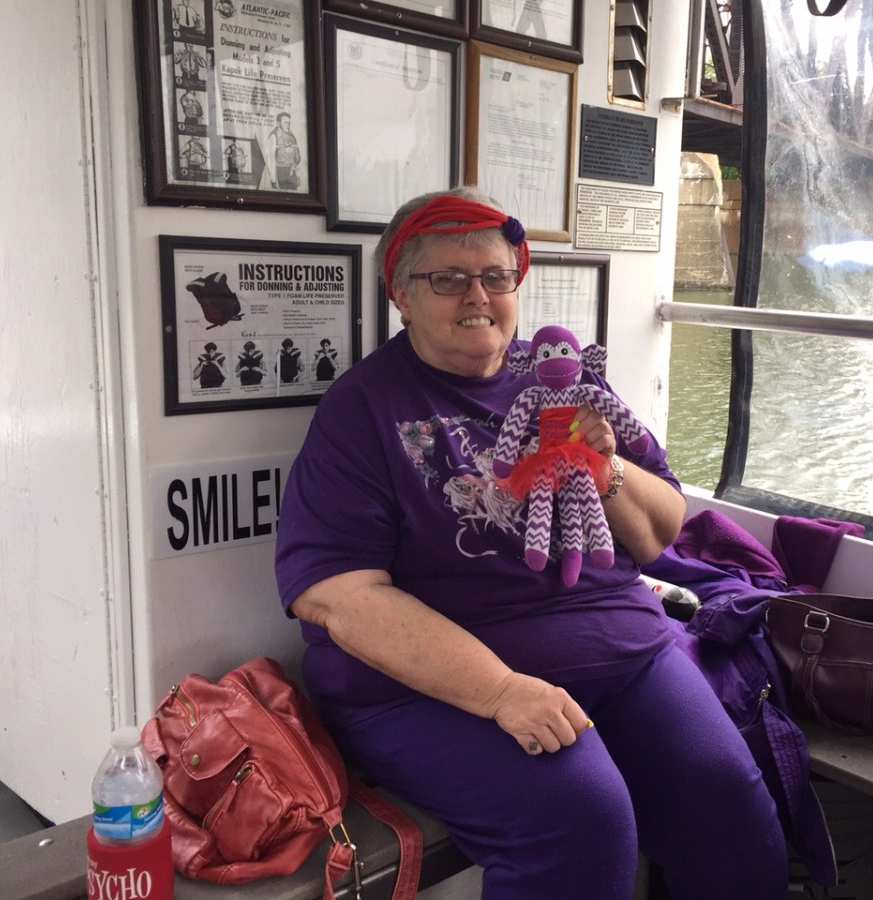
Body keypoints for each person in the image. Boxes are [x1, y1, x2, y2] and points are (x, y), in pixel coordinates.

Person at [274, 187, 790, 899]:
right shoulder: (363, 408)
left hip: (624, 652)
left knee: (729, 802)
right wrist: (501, 691)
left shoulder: (567, 381)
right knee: (582, 820)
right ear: (401, 292)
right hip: (438, 689)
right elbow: (338, 599)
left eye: (496, 275)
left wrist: (603, 466)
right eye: (448, 278)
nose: (477, 295)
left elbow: (662, 529)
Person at [265, 112, 300, 190]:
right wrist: (273, 179)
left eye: (289, 123)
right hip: (280, 172)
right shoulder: (274, 136)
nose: (288, 125)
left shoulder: (291, 135)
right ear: (278, 123)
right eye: (285, 122)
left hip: (292, 172)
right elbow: (270, 159)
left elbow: (297, 153)